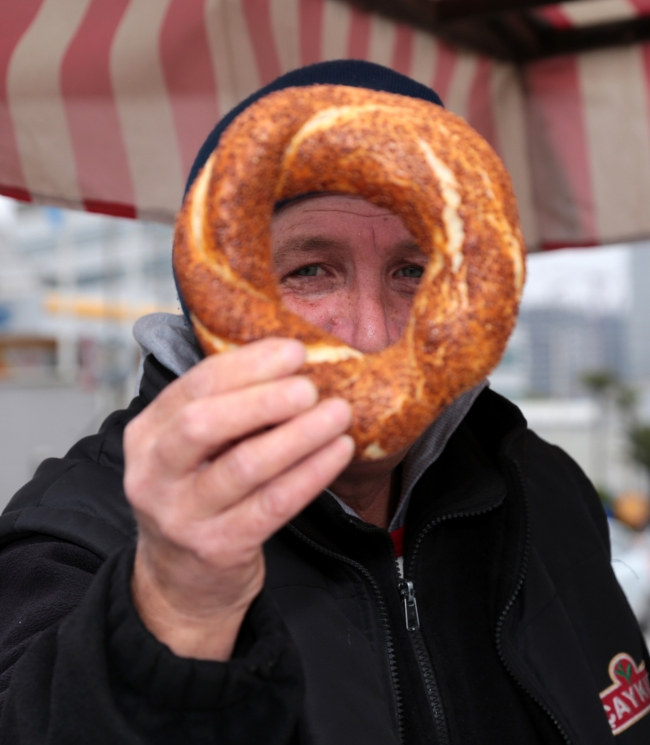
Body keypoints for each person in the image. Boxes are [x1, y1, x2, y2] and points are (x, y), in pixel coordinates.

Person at [0, 60, 648, 745]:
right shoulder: (70, 539)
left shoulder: (544, 490)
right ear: (210, 300)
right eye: (311, 271)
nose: (370, 331)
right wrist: (173, 610)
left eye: (411, 271)